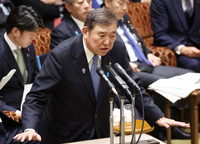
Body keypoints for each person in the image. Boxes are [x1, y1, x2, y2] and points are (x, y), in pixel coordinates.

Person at [13, 8, 189, 144]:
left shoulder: (117, 50)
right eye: (101, 35)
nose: (107, 42)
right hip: (66, 133)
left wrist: (158, 116)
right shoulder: (62, 56)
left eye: (112, 35)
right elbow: (37, 96)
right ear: (85, 32)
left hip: (103, 132)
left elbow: (132, 86)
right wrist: (30, 127)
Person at [103, 0, 192, 141]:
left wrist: (149, 53)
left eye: (126, 4)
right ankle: (162, 130)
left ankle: (180, 118)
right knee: (163, 84)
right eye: (120, 4)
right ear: (107, 3)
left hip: (145, 63)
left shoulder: (124, 17)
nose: (125, 8)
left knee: (189, 75)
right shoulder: (102, 23)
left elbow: (137, 40)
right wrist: (127, 63)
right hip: (131, 68)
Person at [0, 5, 44, 144]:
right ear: (15, 31)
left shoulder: (28, 47)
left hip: (28, 111)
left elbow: (33, 78)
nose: (34, 38)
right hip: (7, 120)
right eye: (31, 34)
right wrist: (14, 112)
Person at [150, 0, 200, 72]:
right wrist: (182, 49)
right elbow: (161, 34)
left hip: (196, 45)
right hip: (174, 49)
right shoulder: (161, 1)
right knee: (194, 64)